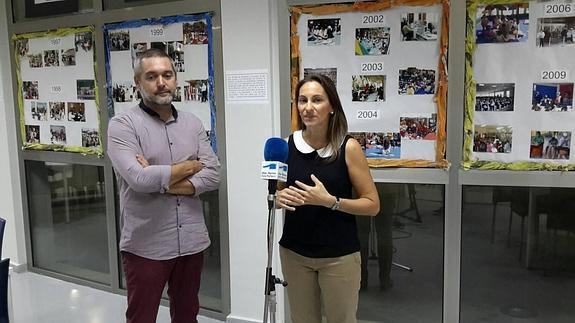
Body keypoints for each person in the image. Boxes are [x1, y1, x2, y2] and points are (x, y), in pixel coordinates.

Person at [107, 48, 220, 323]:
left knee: (187, 315)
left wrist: (160, 179)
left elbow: (214, 174)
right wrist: (188, 167)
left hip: (191, 242)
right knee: (142, 317)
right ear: (137, 82)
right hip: (146, 244)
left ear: (175, 79)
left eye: (167, 75)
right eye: (151, 76)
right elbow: (138, 179)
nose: (161, 82)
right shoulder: (122, 125)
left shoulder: (192, 124)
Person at [275, 74, 380, 323]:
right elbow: (277, 192)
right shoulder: (286, 145)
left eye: (317, 100)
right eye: (302, 100)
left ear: (331, 106)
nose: (308, 107)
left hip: (338, 256)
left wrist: (330, 201)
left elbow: (373, 204)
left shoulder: (348, 147)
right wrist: (278, 197)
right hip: (295, 253)